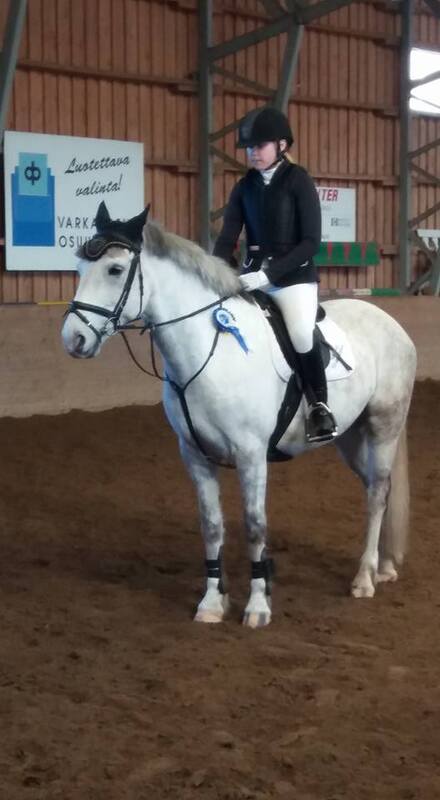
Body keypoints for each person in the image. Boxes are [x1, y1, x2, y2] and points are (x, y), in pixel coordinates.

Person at [213, 106, 337, 444]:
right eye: (249, 148)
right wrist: (214, 272)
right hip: (250, 277)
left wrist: (268, 275)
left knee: (300, 333)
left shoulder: (299, 180)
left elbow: (310, 242)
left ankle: (319, 406)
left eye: (260, 146)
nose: (253, 153)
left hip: (293, 280)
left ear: (281, 145)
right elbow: (227, 237)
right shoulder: (244, 187)